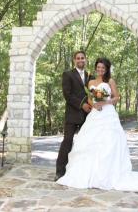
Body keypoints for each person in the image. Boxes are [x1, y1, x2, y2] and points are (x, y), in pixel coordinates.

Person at [57, 57, 138, 194]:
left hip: (107, 114)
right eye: (98, 67)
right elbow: (89, 97)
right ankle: (88, 174)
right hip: (95, 114)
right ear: (95, 68)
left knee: (109, 142)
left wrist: (104, 102)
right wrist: (93, 103)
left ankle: (107, 174)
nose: (100, 70)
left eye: (103, 68)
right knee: (88, 142)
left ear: (106, 69)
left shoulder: (110, 81)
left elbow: (117, 97)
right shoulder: (91, 81)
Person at [55, 51, 93, 181]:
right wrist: (82, 105)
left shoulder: (90, 76)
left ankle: (80, 172)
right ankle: (60, 172)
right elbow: (67, 95)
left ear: (86, 60)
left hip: (87, 116)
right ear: (74, 60)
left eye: (82, 58)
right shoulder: (68, 74)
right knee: (67, 141)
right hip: (72, 114)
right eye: (78, 58)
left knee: (84, 144)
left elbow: (92, 94)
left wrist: (92, 105)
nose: (80, 60)